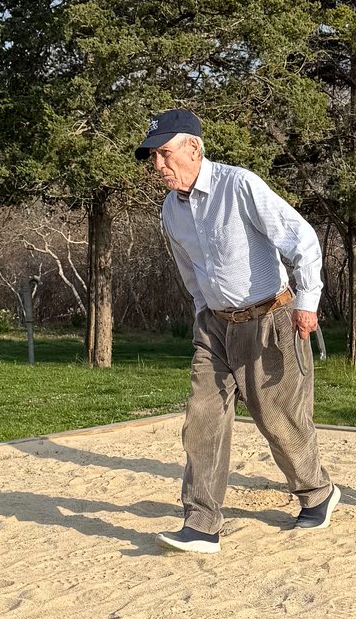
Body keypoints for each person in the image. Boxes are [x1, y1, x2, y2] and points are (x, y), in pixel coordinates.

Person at [138, 109, 339, 557]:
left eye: (166, 153)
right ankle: (201, 522)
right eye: (154, 156)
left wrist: (308, 303)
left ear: (193, 147)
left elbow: (301, 238)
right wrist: (200, 313)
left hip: (269, 319)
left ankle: (317, 492)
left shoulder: (239, 185)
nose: (159, 166)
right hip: (213, 327)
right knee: (201, 420)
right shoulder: (171, 210)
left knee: (279, 421)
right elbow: (190, 270)